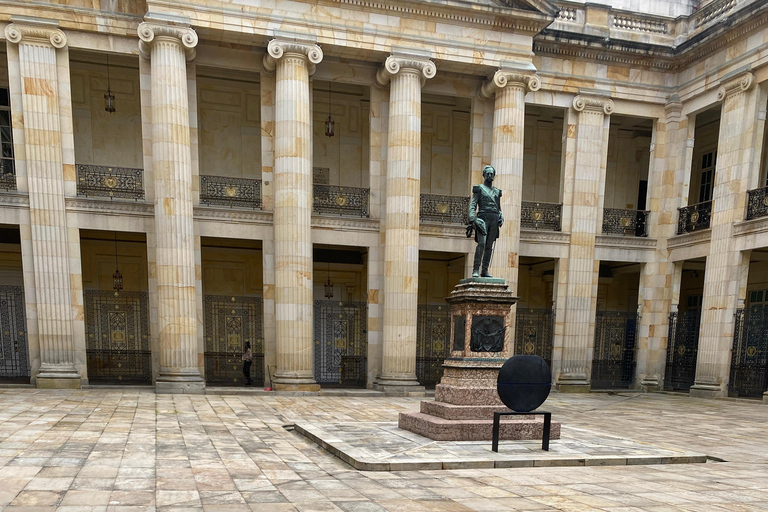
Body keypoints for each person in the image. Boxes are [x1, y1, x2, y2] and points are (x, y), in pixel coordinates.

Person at [468, 165, 503, 278]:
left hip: (494, 219)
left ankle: (485, 270)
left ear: (494, 176)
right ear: (484, 175)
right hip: (483, 218)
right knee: (481, 244)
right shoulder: (479, 189)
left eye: (491, 174)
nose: (489, 176)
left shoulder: (497, 192)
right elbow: (473, 204)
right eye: (487, 174)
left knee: (489, 246)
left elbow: (498, 207)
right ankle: (476, 269)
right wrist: (472, 218)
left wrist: (501, 216)